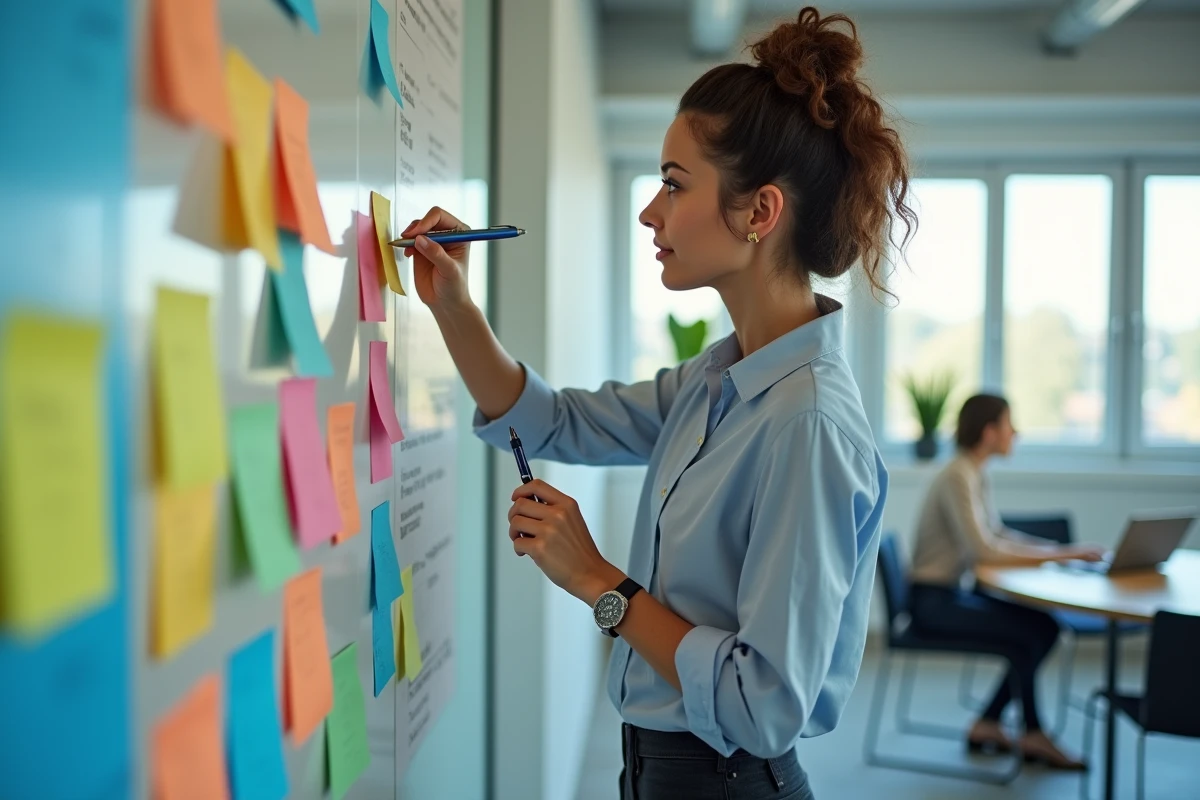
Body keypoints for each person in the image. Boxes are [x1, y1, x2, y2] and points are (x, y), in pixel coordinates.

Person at [402, 8, 913, 798]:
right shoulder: (717, 379)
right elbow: (555, 422)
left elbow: (762, 704)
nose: (651, 211)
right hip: (657, 771)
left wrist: (598, 581)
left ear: (759, 213)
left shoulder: (807, 424)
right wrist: (454, 308)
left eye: (674, 184)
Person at [908, 393, 1107, 771]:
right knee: (1033, 632)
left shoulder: (973, 471)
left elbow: (997, 533)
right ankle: (1028, 731)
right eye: (1009, 425)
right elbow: (983, 549)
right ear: (989, 432)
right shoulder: (957, 475)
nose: (1016, 433)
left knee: (1041, 627)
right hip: (933, 603)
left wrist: (1061, 550)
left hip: (949, 594)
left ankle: (992, 723)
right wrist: (1061, 555)